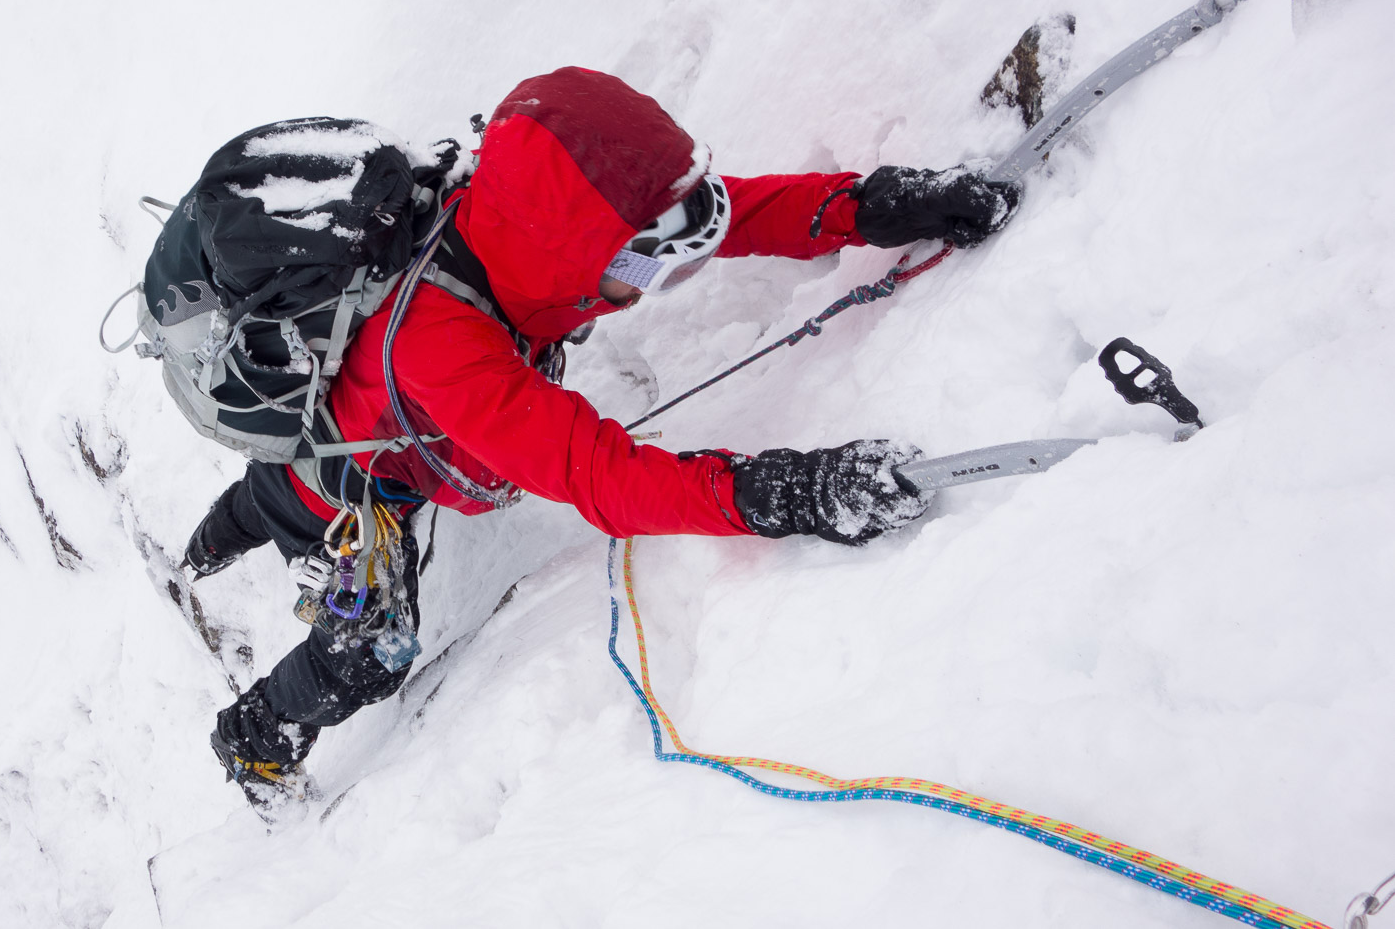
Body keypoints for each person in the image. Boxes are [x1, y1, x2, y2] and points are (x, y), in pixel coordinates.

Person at [184, 66, 1017, 805]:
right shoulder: (446, 348)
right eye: (650, 261)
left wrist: (871, 208)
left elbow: (732, 217)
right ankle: (253, 738)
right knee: (369, 652)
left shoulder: (521, 213)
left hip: (351, 427)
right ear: (566, 253)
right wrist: (784, 494)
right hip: (356, 485)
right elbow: (605, 479)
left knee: (273, 488)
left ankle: (218, 540)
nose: (663, 276)